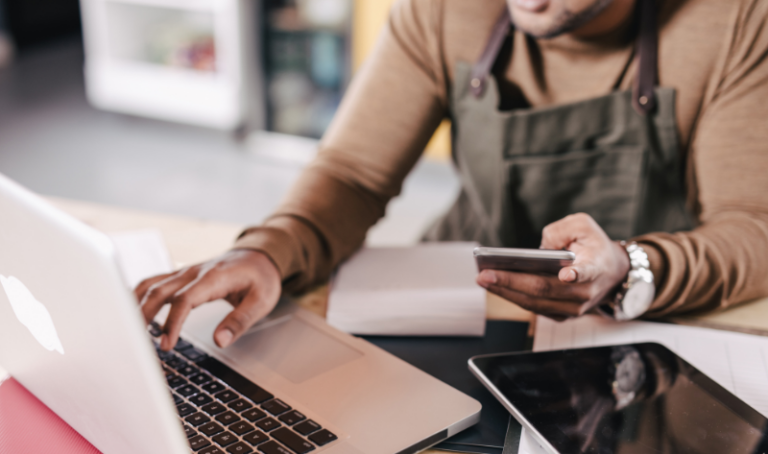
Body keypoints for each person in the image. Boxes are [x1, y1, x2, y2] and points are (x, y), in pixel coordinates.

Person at [137, 0, 768, 351]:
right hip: (461, 303)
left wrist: (629, 269)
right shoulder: (446, 7)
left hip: (646, 326)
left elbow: (753, 227)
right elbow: (354, 173)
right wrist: (270, 250)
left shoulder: (736, 19)